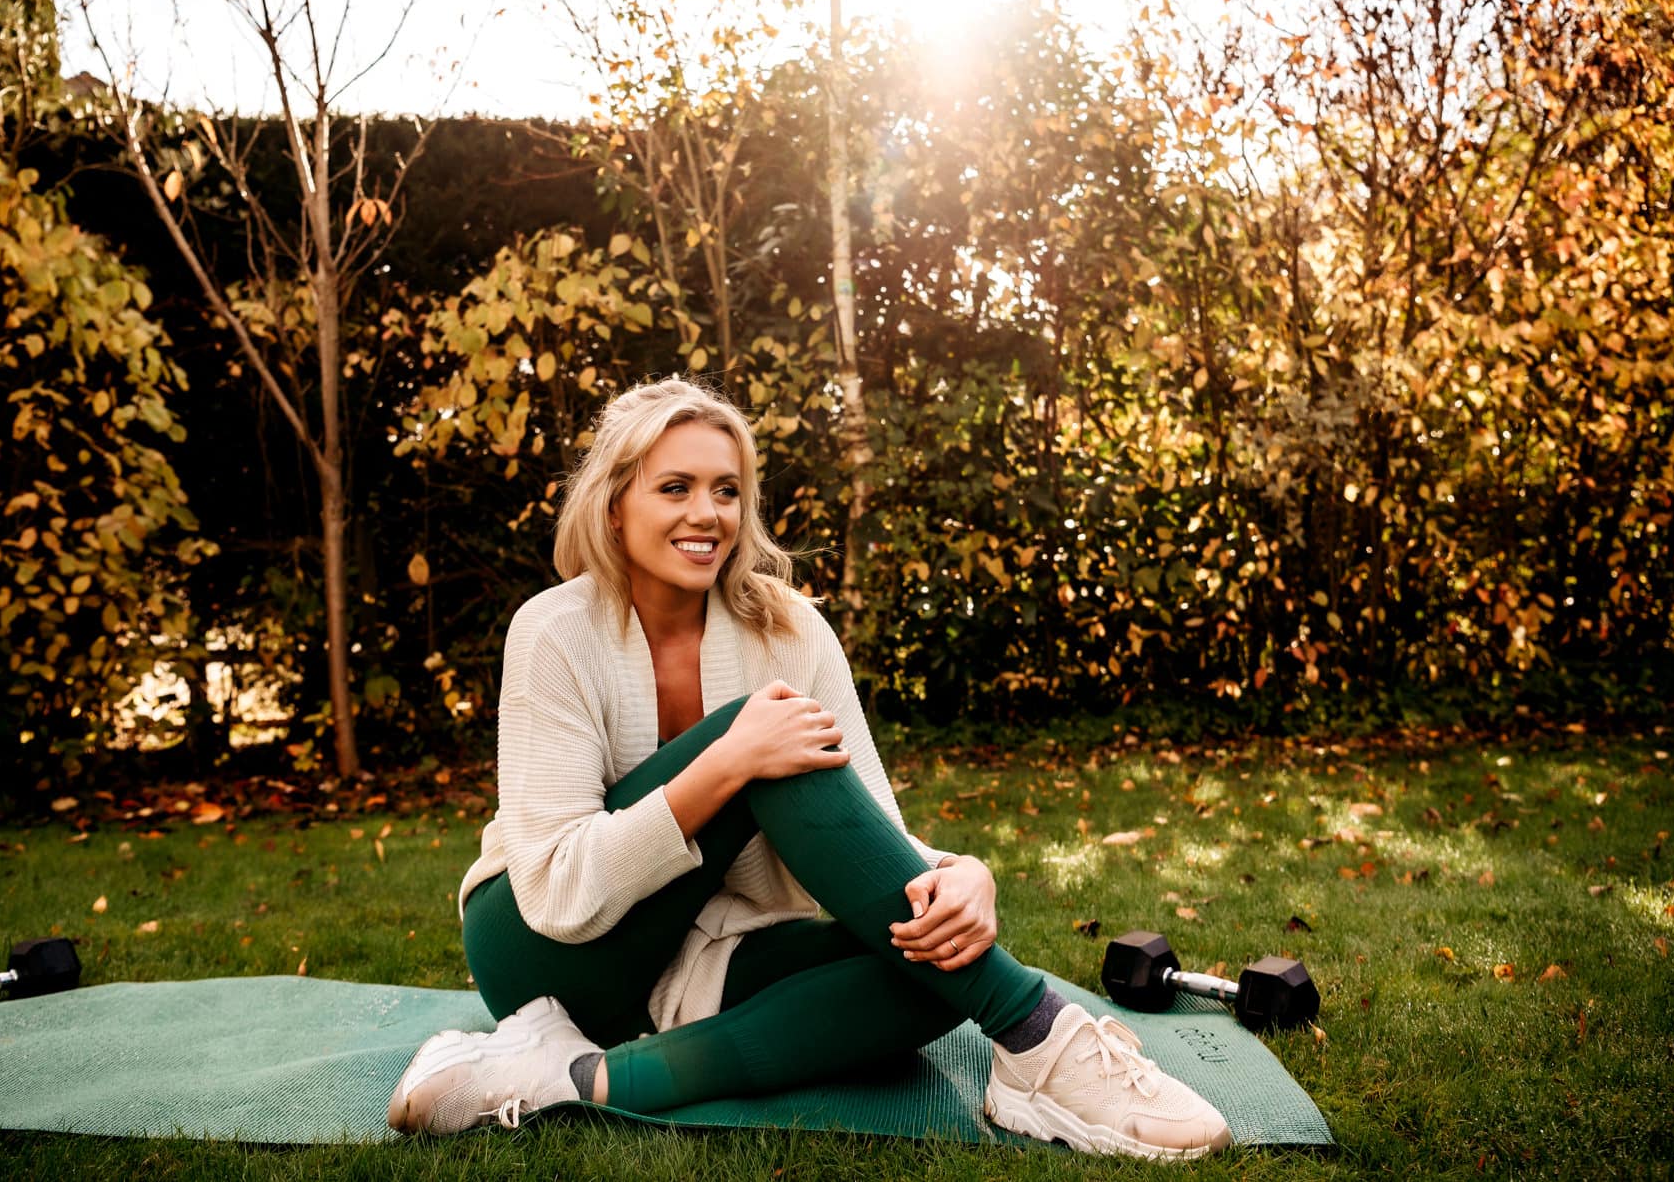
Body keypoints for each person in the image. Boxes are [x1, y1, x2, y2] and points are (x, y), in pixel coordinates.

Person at [387, 377, 1231, 1160]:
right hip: (544, 950)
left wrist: (958, 873)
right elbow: (560, 891)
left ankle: (572, 1077)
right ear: (614, 507)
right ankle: (1038, 1034)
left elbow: (866, 833)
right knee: (764, 736)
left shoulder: (789, 628)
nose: (707, 513)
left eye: (726, 489)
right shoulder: (553, 630)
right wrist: (726, 763)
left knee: (932, 967)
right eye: (674, 487)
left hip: (707, 958)